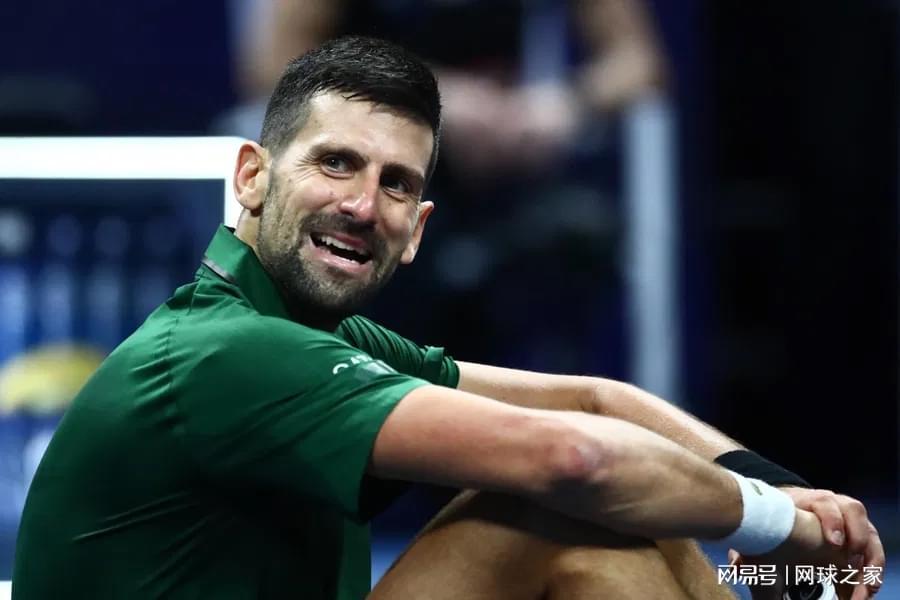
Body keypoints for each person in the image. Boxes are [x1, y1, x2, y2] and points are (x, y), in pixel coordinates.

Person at [13, 36, 883, 600]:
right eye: (335, 163)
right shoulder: (224, 351)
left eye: (395, 184)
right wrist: (788, 530)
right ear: (251, 176)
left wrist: (781, 487)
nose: (363, 205)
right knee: (563, 502)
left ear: (418, 229)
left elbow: (593, 401)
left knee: (616, 527)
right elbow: (575, 457)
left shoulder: (317, 335)